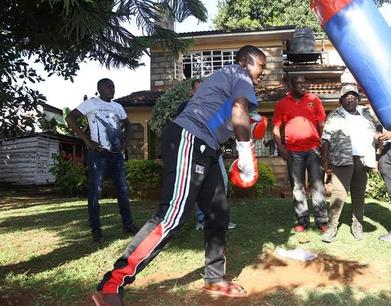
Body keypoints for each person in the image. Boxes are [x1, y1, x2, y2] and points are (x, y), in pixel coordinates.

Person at [91, 45, 266, 305]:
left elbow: (231, 116)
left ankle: (214, 278)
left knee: (218, 213)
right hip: (191, 140)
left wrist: (248, 127)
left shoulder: (229, 79)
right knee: (172, 216)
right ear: (245, 61)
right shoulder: (239, 74)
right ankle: (112, 282)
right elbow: (239, 109)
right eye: (261, 66)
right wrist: (246, 151)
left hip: (207, 147)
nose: (263, 72)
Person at [66, 78, 139, 243]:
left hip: (116, 155)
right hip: (98, 155)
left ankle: (128, 224)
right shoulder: (91, 103)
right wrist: (87, 140)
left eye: (113, 86)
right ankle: (96, 231)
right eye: (108, 86)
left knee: (122, 190)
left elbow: (128, 125)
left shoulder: (118, 107)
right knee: (95, 192)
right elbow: (70, 118)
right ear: (99, 88)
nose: (112, 89)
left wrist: (125, 143)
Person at [321, 84, 381, 242]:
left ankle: (357, 225)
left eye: (353, 96)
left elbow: (378, 128)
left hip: (362, 159)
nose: (350, 99)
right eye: (347, 97)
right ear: (341, 100)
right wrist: (325, 159)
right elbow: (326, 138)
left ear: (358, 99)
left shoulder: (366, 113)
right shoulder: (335, 115)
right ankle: (332, 226)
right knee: (339, 194)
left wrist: (378, 137)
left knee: (359, 194)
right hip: (342, 159)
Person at [176, 79, 236, 231]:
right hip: (195, 153)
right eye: (199, 89)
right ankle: (202, 220)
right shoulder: (185, 107)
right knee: (199, 186)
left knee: (222, 183)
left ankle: (219, 219)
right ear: (192, 92)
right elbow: (179, 129)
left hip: (215, 152)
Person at [272, 75, 328, 232]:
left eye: (305, 83)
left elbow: (322, 124)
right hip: (293, 152)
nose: (303, 86)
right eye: (299, 83)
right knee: (297, 187)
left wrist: (323, 148)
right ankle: (302, 220)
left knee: (318, 185)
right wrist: (281, 149)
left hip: (313, 150)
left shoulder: (314, 100)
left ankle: (321, 220)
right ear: (291, 85)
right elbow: (276, 128)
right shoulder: (282, 104)